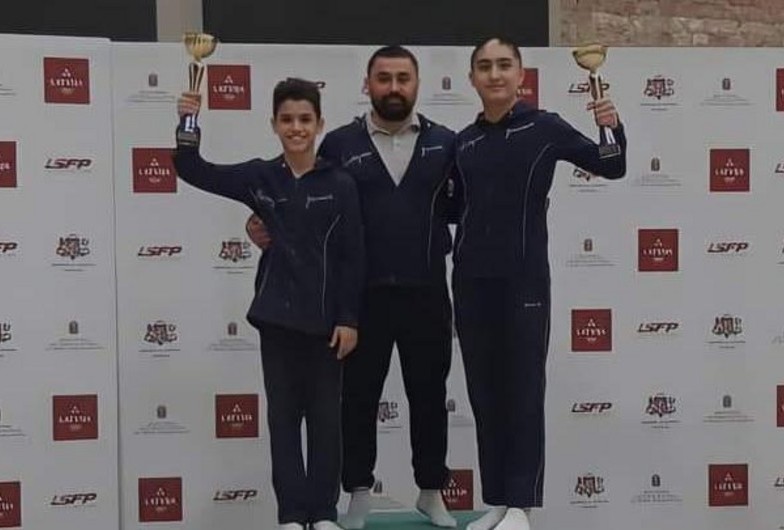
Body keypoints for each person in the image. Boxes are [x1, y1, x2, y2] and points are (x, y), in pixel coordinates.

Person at [247, 45, 458, 529]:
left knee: (429, 394)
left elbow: (463, 205)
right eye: (384, 78)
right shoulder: (340, 144)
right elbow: (305, 199)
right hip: (363, 296)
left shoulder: (445, 143)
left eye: (403, 78)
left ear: (416, 84)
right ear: (368, 84)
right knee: (358, 397)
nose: (393, 87)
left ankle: (431, 490)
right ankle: (358, 491)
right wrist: (261, 223)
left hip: (426, 290)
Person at [173, 78, 365, 530]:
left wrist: (349, 318)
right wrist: (188, 120)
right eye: (287, 120)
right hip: (276, 319)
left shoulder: (341, 183)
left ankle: (323, 514)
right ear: (274, 124)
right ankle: (292, 516)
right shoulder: (260, 176)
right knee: (283, 421)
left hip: (326, 326)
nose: (296, 128)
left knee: (326, 423)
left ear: (320, 124)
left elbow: (353, 256)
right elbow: (194, 169)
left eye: (305, 119)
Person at [451, 37, 627, 530]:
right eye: (485, 66)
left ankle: (521, 506)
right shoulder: (463, 142)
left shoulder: (543, 127)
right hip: (470, 282)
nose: (495, 74)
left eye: (504, 65)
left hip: (524, 282)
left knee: (523, 391)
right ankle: (498, 501)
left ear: (521, 75)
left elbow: (612, 164)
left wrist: (611, 125)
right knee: (485, 394)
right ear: (472, 78)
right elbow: (449, 208)